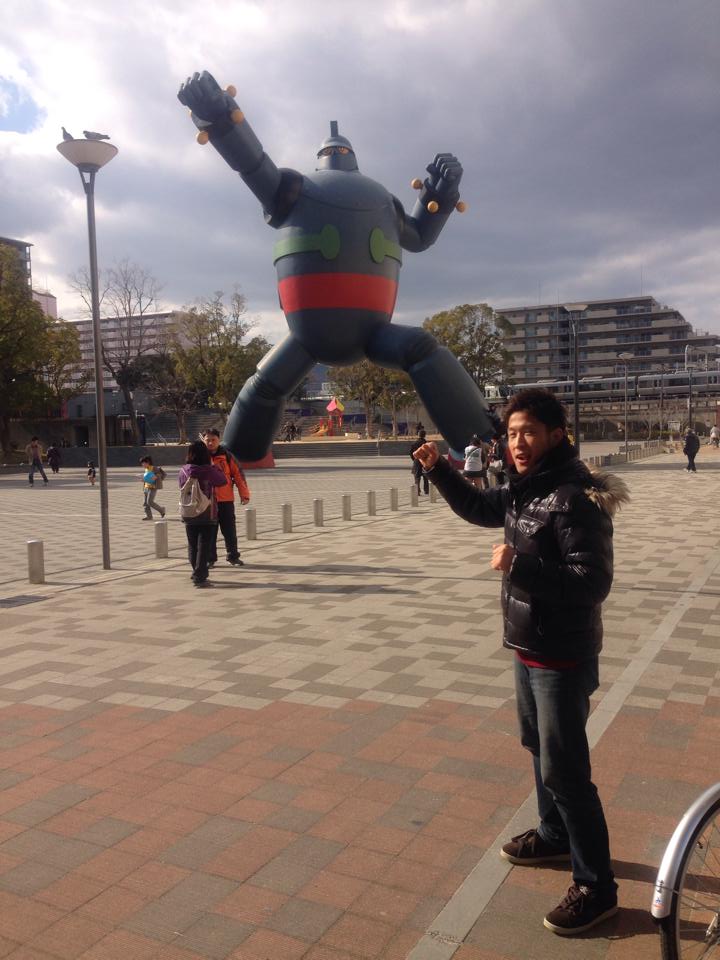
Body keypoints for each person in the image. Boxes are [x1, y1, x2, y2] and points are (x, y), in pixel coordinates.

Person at [413, 388, 629, 936]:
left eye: (529, 432)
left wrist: (521, 566)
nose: (517, 443)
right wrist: (439, 470)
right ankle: (554, 835)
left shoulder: (574, 498)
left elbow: (593, 582)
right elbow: (479, 509)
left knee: (566, 771)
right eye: (511, 434)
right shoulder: (523, 489)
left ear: (557, 435)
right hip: (528, 646)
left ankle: (597, 887)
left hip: (562, 656)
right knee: (538, 748)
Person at [178, 440, 227, 587]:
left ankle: (196, 571)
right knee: (204, 545)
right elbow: (222, 481)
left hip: (189, 511)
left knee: (192, 544)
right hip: (207, 512)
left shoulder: (184, 470)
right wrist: (214, 466)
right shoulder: (209, 470)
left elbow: (181, 486)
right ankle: (200, 576)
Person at [202, 429, 250, 567]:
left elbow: (238, 475)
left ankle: (233, 557)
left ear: (219, 440)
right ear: (203, 440)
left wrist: (244, 494)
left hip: (226, 500)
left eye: (213, 440)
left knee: (229, 531)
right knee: (209, 532)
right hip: (207, 501)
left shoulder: (227, 456)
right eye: (207, 440)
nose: (210, 443)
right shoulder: (200, 457)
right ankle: (210, 559)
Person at [140, 456, 166, 521]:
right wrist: (143, 479)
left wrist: (156, 477)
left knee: (150, 502)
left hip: (153, 487)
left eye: (143, 463)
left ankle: (161, 510)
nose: (142, 465)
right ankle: (149, 516)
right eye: (142, 463)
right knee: (146, 503)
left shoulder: (154, 468)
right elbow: (147, 477)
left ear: (148, 462)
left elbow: (162, 475)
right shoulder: (146, 469)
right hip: (146, 487)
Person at [409, 429, 429, 495]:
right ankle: (426, 490)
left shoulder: (414, 443)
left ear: (418, 435)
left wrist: (415, 459)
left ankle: (417, 491)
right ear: (425, 435)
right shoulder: (426, 444)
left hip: (417, 461)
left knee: (417, 477)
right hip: (425, 462)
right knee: (426, 477)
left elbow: (411, 453)